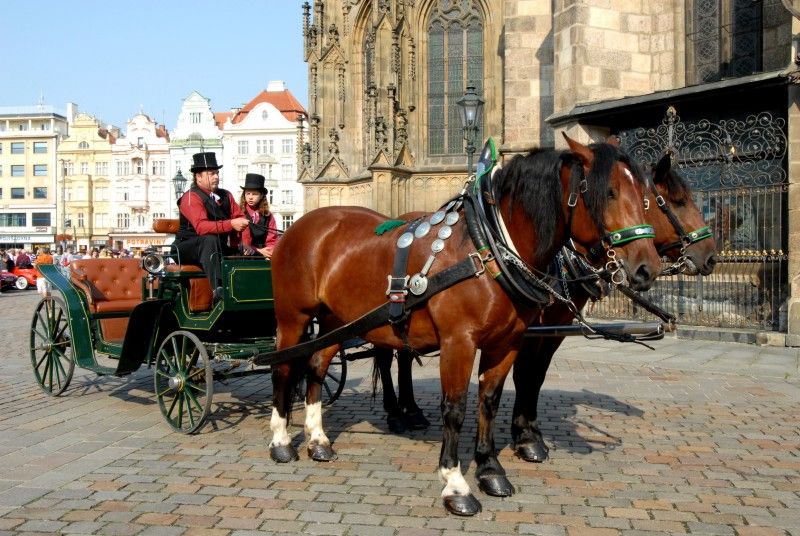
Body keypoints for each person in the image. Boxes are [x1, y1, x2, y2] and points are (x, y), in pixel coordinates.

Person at [174, 152, 249, 301]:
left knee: (250, 253)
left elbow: (241, 219)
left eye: (217, 173)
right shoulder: (190, 197)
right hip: (187, 248)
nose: (216, 177)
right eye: (211, 174)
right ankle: (218, 289)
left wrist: (244, 243)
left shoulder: (226, 195)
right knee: (209, 239)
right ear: (198, 176)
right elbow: (201, 227)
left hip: (216, 246)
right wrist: (231, 224)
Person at [239, 173, 279, 259]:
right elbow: (238, 241)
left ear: (261, 196)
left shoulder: (268, 216)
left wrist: (269, 251)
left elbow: (272, 240)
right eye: (248, 193)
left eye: (254, 194)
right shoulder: (239, 213)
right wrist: (258, 250)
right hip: (243, 256)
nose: (250, 197)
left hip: (264, 256)